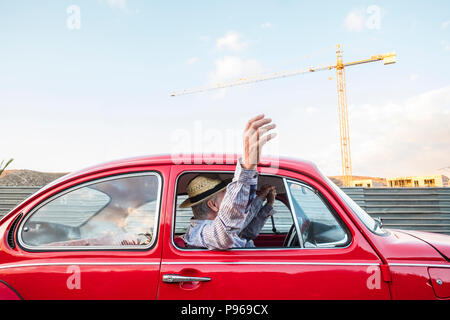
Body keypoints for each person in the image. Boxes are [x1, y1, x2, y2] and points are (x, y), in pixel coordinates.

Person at [180, 114, 277, 249]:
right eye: (227, 195)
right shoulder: (202, 233)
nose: (231, 199)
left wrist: (266, 201)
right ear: (213, 204)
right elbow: (224, 230)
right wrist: (247, 167)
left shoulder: (205, 229)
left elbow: (246, 231)